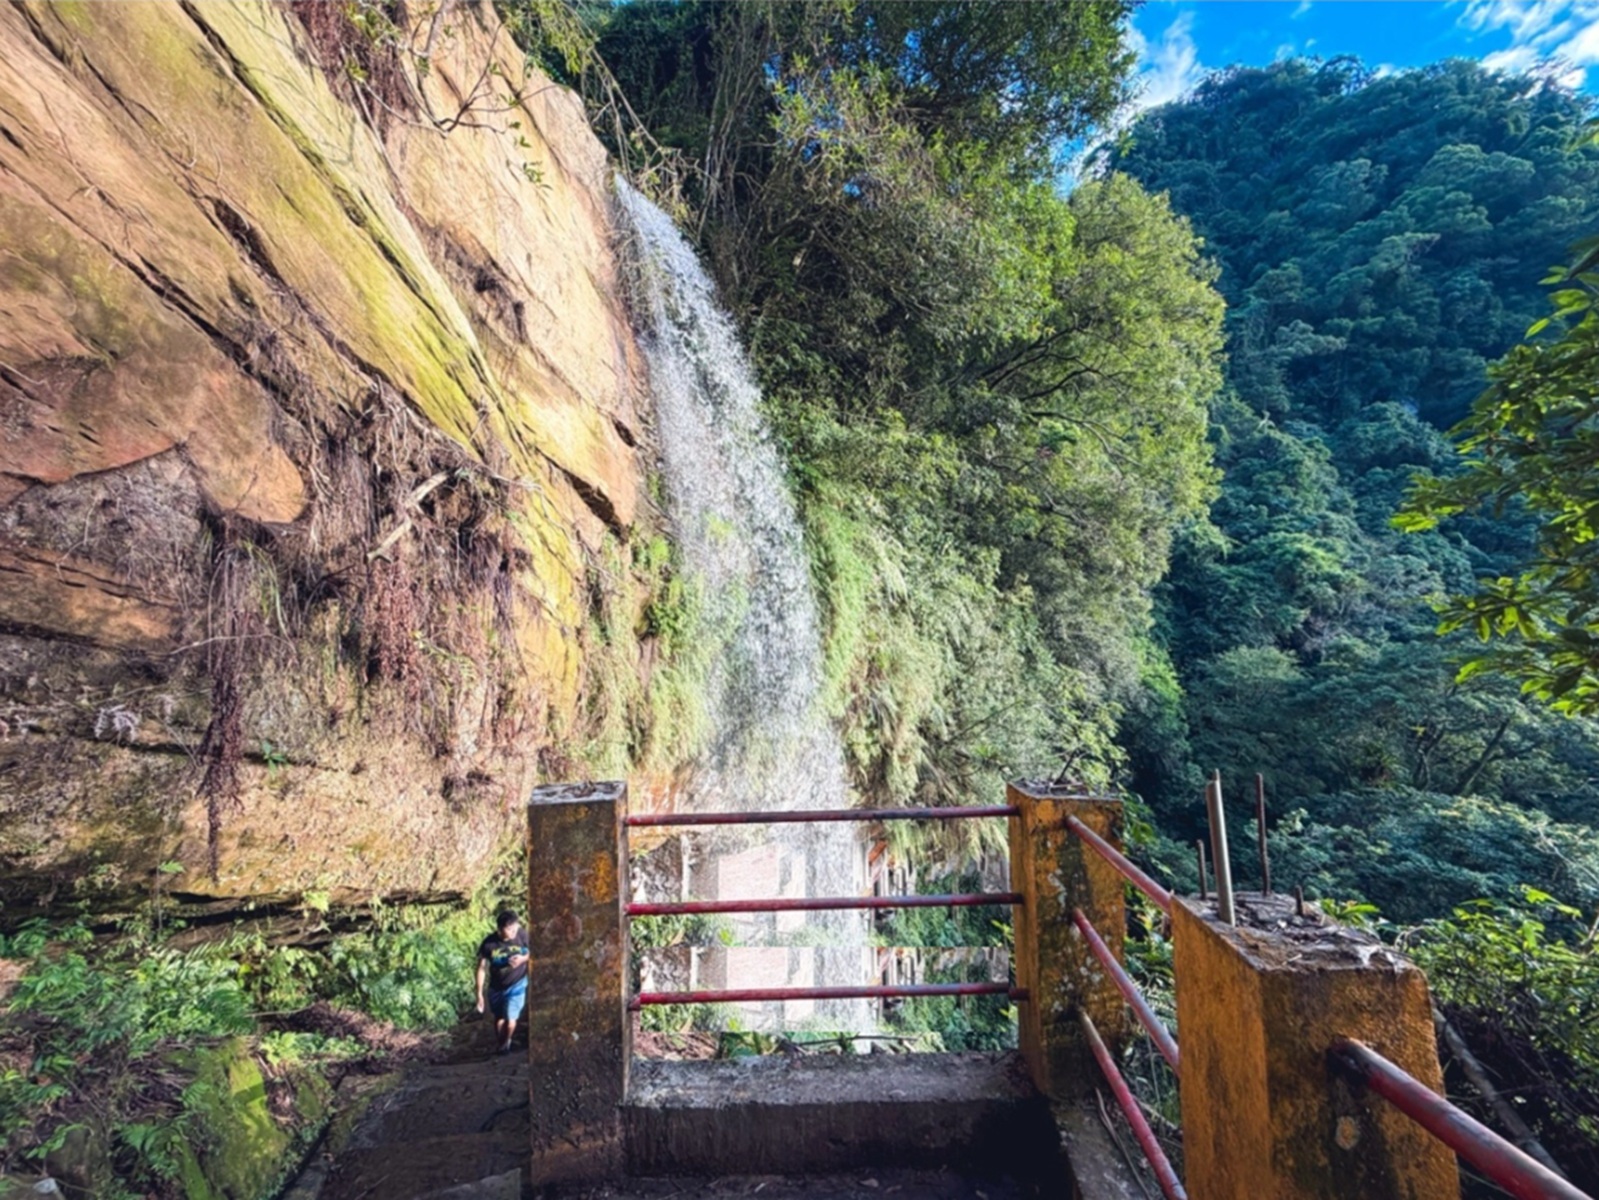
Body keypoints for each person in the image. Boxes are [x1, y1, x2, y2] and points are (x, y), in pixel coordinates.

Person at [475, 909, 529, 1054]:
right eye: (509, 929)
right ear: (499, 929)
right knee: (499, 1019)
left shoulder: (522, 935)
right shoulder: (489, 944)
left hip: (517, 983)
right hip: (496, 987)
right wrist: (479, 993)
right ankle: (501, 1043)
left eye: (515, 927)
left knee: (510, 1017)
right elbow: (481, 968)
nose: (513, 932)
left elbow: (535, 951)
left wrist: (523, 959)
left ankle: (507, 1044)